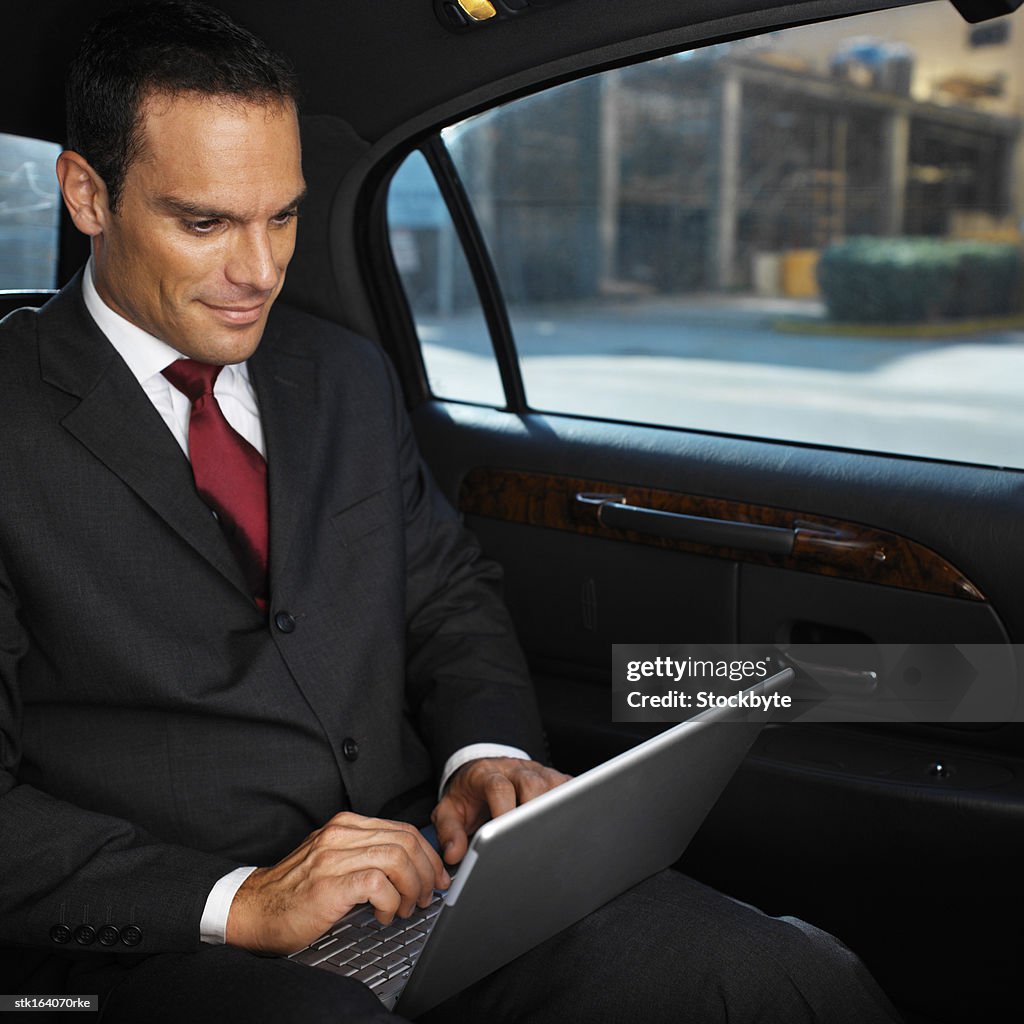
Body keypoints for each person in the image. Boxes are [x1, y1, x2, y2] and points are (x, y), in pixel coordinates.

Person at [0, 3, 902, 1021]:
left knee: (776, 975)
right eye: (205, 222)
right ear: (86, 194)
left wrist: (483, 756)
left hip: (420, 881)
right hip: (168, 938)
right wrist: (240, 902)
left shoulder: (340, 375)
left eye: (283, 214)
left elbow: (447, 596)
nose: (260, 270)